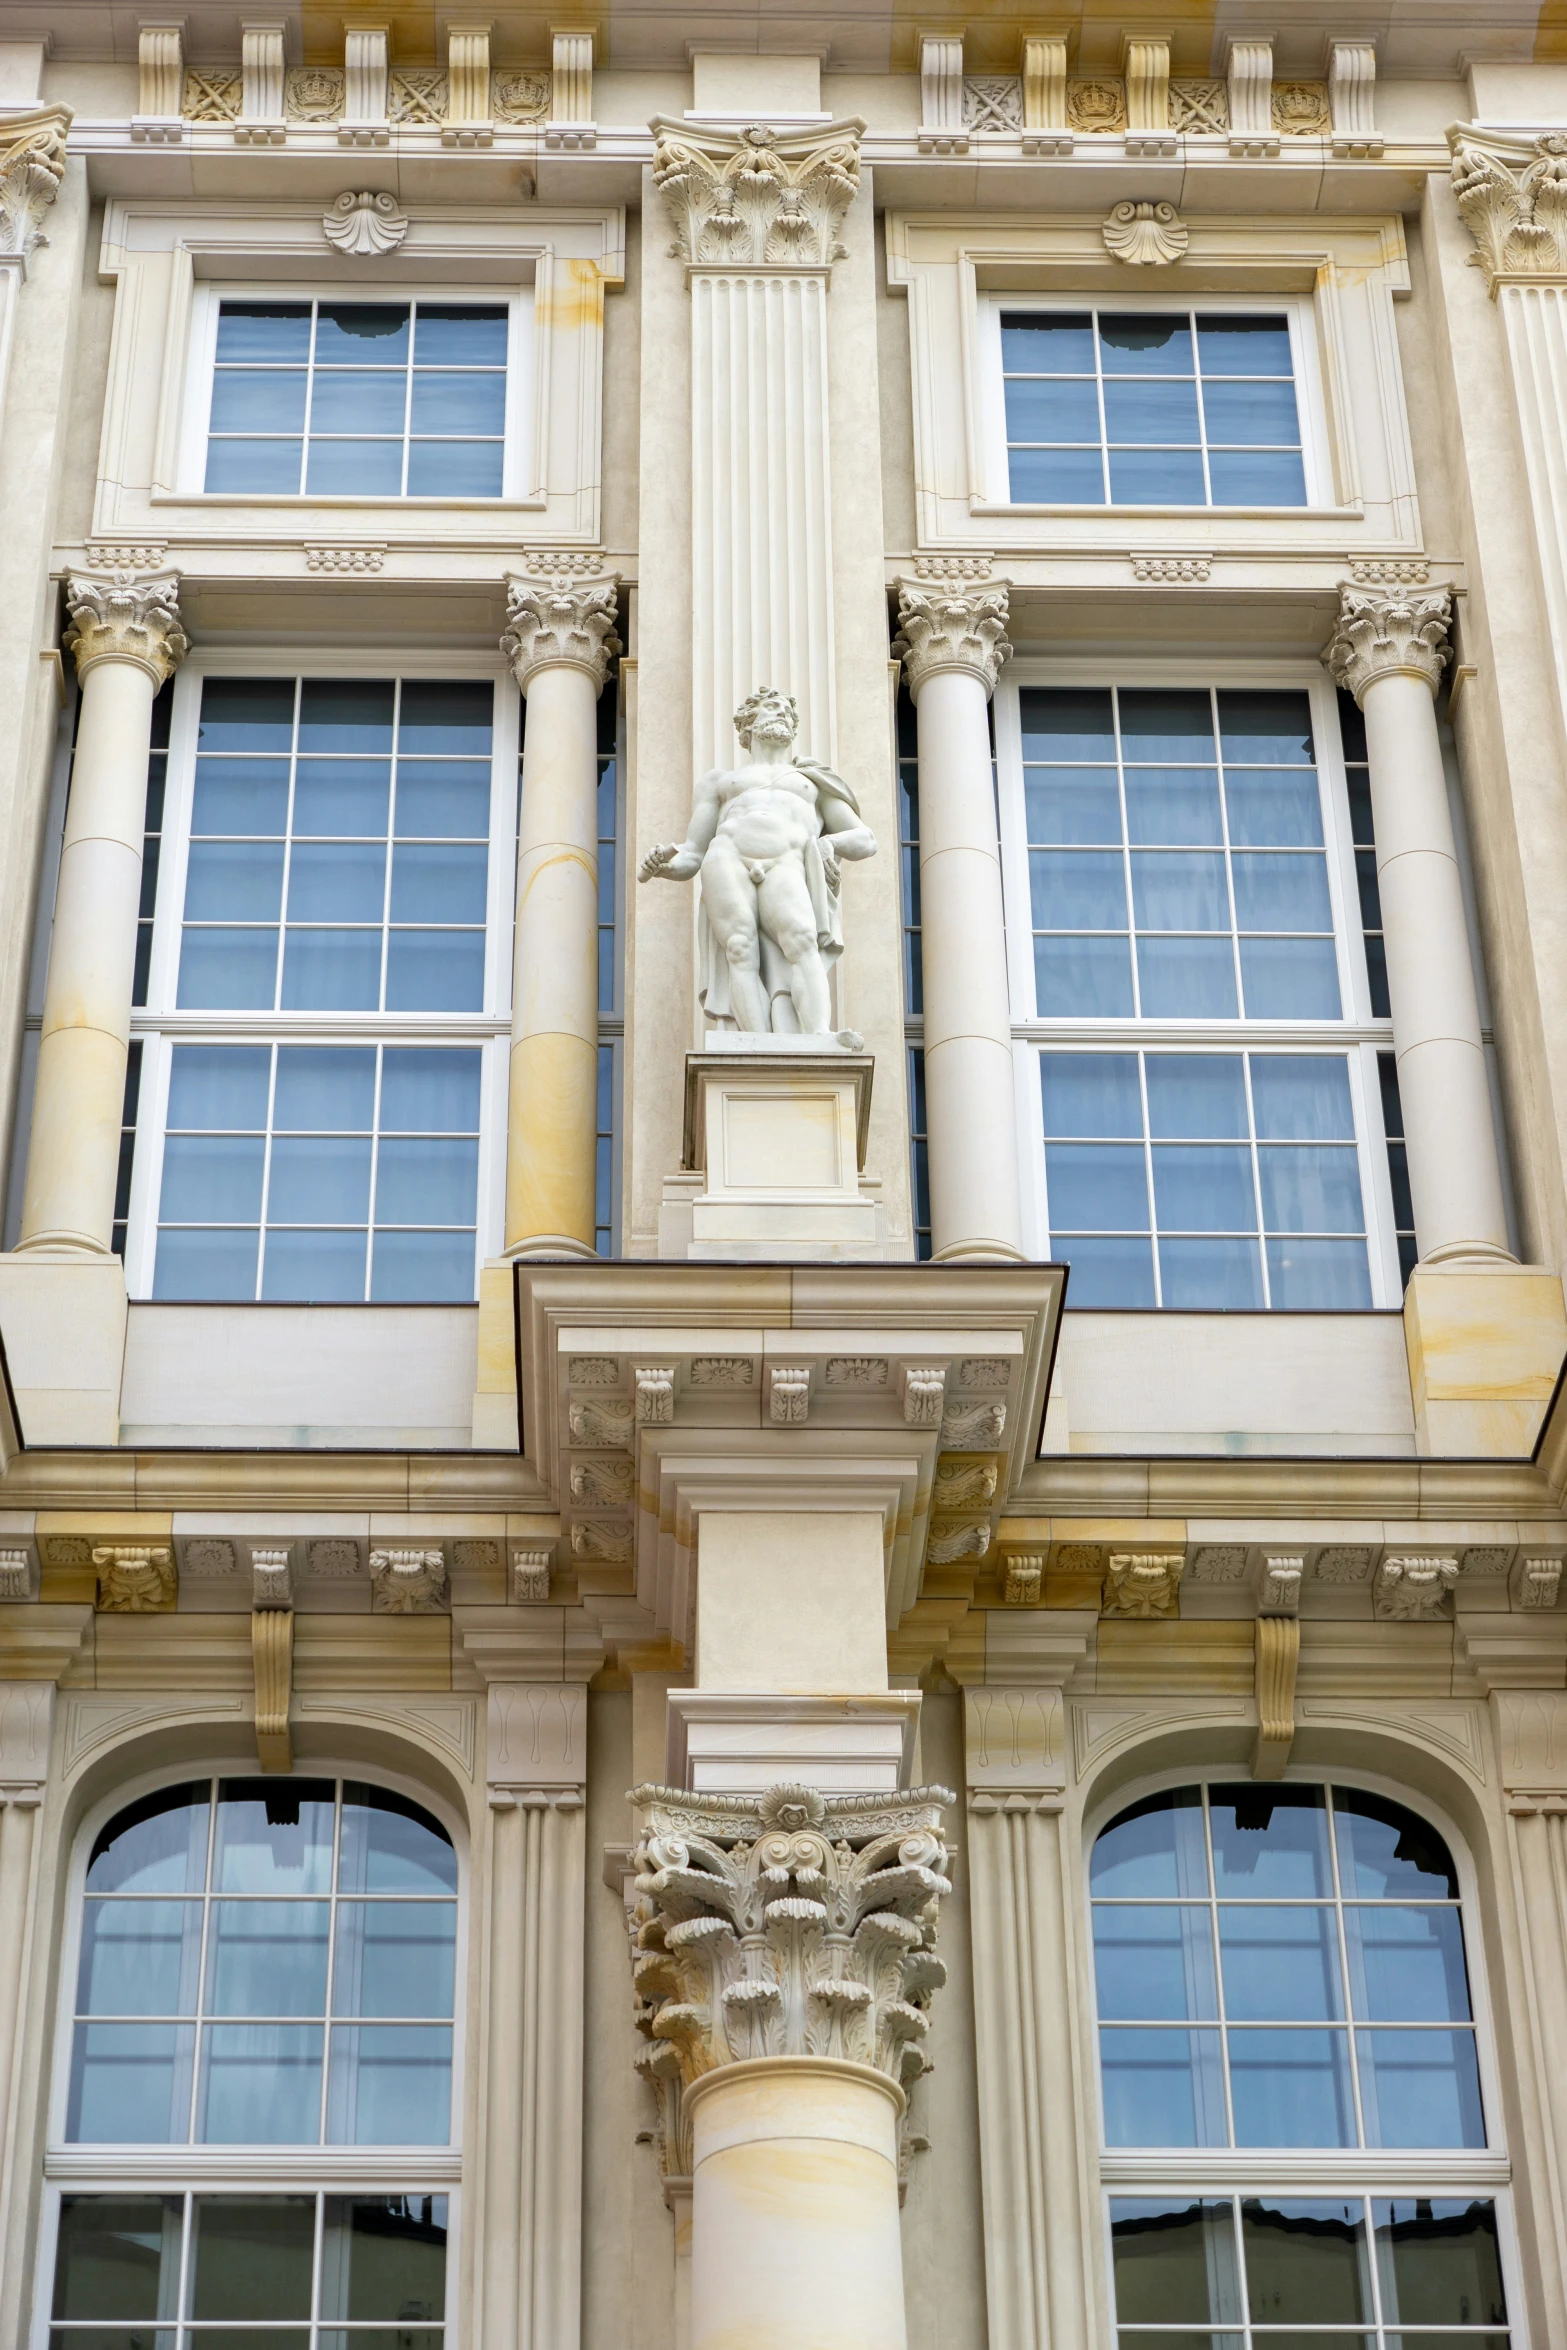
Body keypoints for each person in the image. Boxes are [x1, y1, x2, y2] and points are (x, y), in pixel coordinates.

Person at [638, 686, 877, 1039]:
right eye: (771, 706)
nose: (781, 712)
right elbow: (692, 853)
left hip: (787, 860)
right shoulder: (720, 782)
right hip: (727, 857)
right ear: (748, 724)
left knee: (801, 940)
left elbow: (865, 839)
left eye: (786, 710)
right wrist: (662, 867)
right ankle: (756, 1043)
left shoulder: (811, 782)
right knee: (739, 948)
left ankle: (817, 1035)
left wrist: (829, 844)